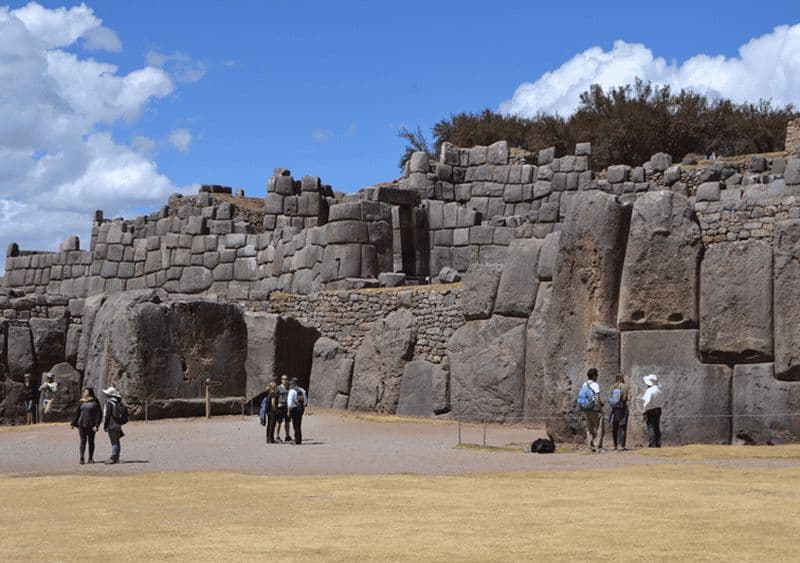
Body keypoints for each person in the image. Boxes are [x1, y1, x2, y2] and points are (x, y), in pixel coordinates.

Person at [71, 387, 102, 464]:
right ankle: (82, 458)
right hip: (82, 424)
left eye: (86, 392)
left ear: (90, 393)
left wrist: (97, 425)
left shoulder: (95, 401)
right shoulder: (81, 401)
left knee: (91, 441)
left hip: (91, 425)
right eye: (84, 392)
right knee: (82, 441)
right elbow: (77, 413)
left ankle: (90, 458)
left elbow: (99, 414)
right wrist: (73, 423)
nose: (84, 393)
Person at [577, 367, 604, 452]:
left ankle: (590, 446)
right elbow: (597, 398)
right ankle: (598, 446)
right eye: (597, 375)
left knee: (589, 428)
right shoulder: (595, 385)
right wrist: (600, 406)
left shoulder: (584, 384)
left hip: (586, 409)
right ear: (594, 376)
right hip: (594, 409)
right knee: (599, 427)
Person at [102, 387, 125, 464]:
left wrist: (105, 425)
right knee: (117, 441)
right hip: (118, 424)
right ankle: (117, 457)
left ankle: (113, 457)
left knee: (114, 442)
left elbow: (108, 415)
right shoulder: (118, 402)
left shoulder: (109, 403)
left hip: (111, 424)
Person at [607, 374, 629, 451]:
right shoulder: (624, 387)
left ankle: (615, 446)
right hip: (622, 408)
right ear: (622, 379)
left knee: (615, 427)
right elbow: (626, 397)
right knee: (623, 427)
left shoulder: (612, 387)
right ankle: (622, 446)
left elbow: (609, 399)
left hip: (614, 409)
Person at [642, 374, 664, 448]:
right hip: (658, 409)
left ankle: (652, 444)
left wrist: (644, 410)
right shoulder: (659, 390)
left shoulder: (649, 391)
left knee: (651, 426)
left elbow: (647, 402)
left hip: (651, 410)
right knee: (657, 426)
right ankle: (658, 443)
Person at [286, 378, 307, 445]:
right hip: (301, 409)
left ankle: (297, 440)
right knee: (299, 424)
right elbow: (305, 402)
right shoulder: (302, 390)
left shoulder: (291, 391)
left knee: (295, 425)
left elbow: (289, 403)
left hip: (294, 409)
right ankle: (299, 439)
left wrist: (288, 411)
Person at [275, 375, 292, 443]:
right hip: (280, 406)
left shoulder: (289, 388)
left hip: (287, 406)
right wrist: (276, 405)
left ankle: (287, 436)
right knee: (279, 422)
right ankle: (277, 436)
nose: (285, 380)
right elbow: (275, 397)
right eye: (283, 379)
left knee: (287, 421)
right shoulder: (278, 388)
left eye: (286, 379)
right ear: (281, 380)